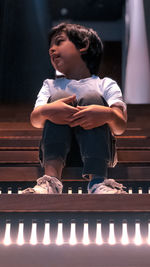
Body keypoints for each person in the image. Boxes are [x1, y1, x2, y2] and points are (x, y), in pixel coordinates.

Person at [22, 22, 127, 194]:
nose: (52, 49)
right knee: (56, 101)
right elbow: (36, 120)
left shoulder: (105, 84)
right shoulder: (50, 85)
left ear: (83, 45)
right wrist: (49, 110)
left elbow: (120, 126)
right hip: (56, 153)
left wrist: (107, 114)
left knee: (92, 98)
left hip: (99, 152)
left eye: (59, 42)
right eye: (50, 46)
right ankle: (51, 182)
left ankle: (98, 182)